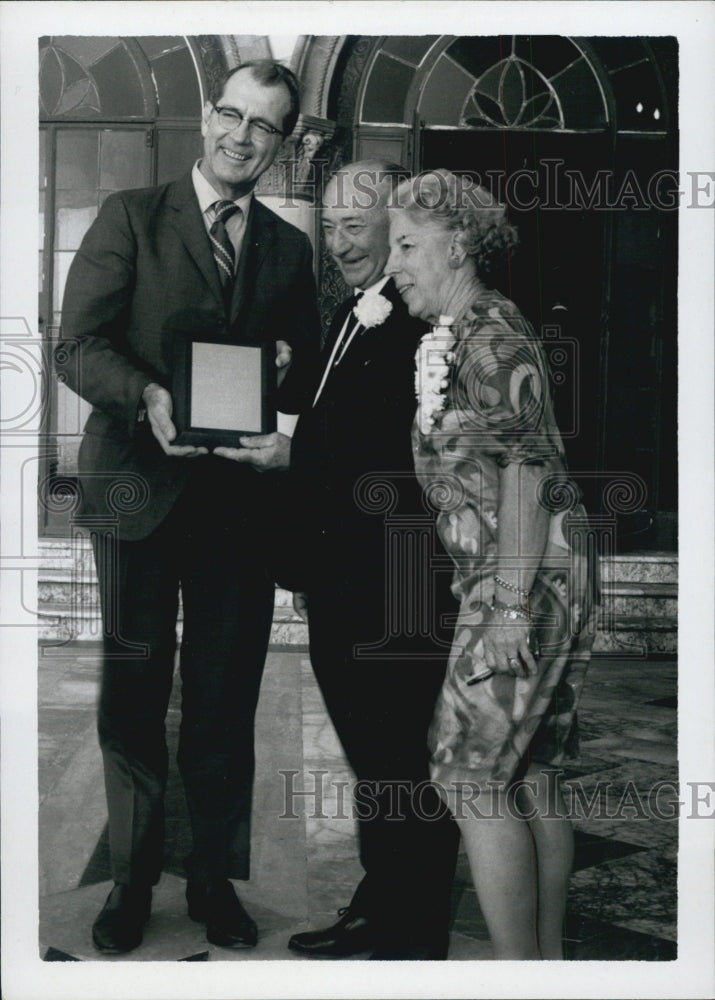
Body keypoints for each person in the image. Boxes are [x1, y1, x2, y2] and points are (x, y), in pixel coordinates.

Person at [56, 61, 320, 954]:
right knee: (132, 695)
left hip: (237, 510)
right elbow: (76, 346)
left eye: (265, 127)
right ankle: (130, 882)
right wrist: (146, 397)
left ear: (283, 144)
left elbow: (311, 368)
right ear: (208, 117)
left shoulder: (288, 248)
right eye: (233, 116)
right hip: (136, 491)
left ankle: (213, 877)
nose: (242, 137)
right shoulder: (131, 216)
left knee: (221, 700)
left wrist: (287, 361)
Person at [385, 169, 600, 960]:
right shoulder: (462, 332)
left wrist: (507, 604)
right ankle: (542, 966)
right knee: (529, 774)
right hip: (539, 573)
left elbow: (527, 468)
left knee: (467, 776)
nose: (393, 263)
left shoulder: (491, 333)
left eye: (406, 244)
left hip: (526, 581)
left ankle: (517, 973)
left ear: (458, 242)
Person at [283, 161, 459, 961]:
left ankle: (410, 927)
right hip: (341, 574)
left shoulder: (420, 320)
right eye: (328, 227)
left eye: (354, 227)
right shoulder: (354, 309)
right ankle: (380, 896)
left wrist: (287, 450)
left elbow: (390, 453)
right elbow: (333, 417)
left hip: (394, 580)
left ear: (396, 224)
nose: (338, 244)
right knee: (372, 754)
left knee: (396, 755)